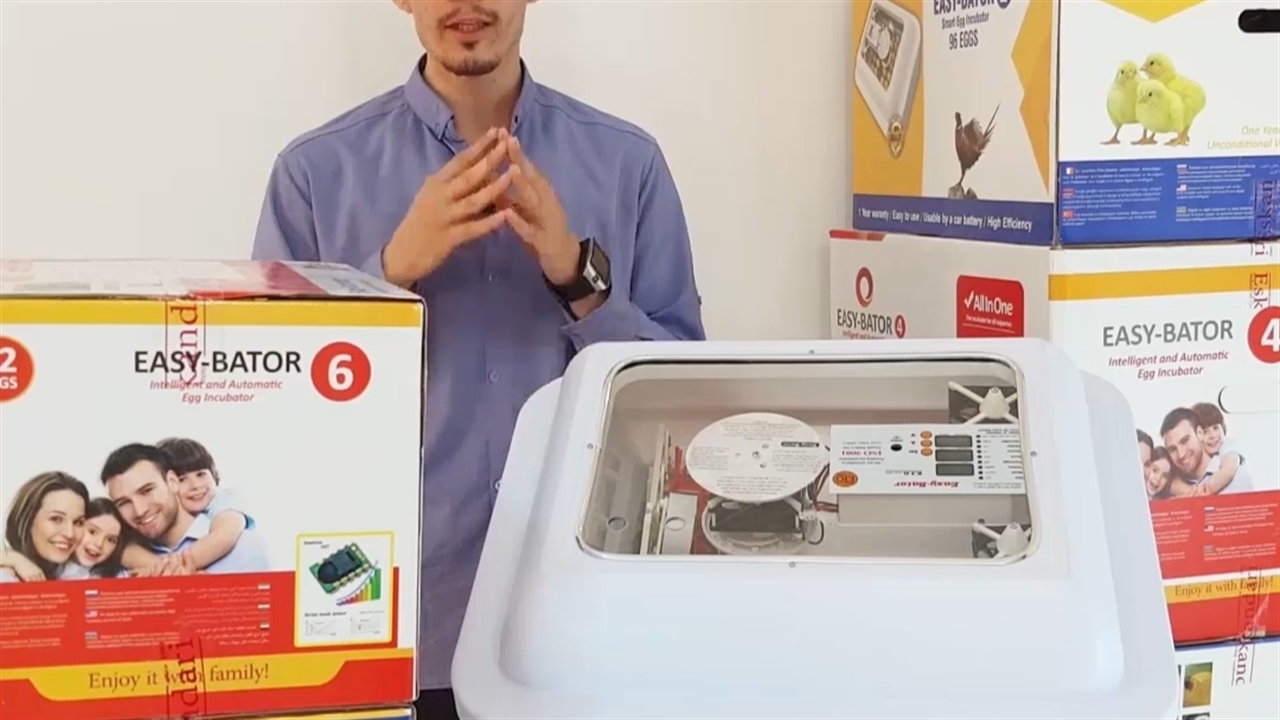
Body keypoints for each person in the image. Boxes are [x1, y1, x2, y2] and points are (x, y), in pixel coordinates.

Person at [250, 1, 705, 714]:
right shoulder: (314, 174)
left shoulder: (629, 164)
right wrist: (386, 275)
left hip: (582, 628)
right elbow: (267, 409)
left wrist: (578, 277)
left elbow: (685, 401)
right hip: (391, 625)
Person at [100, 443, 270, 574]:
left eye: (147, 491)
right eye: (123, 503)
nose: (139, 510)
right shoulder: (116, 565)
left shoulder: (244, 547)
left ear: (172, 482)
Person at [0, 472, 89, 582]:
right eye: (56, 519)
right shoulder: (6, 577)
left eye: (78, 522)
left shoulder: (79, 575)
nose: (70, 533)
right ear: (28, 519)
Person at [1160, 407, 1254, 497]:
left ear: (1200, 434)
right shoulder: (1169, 490)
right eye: (1172, 449)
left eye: (1185, 441)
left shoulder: (1237, 477)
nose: (1181, 454)